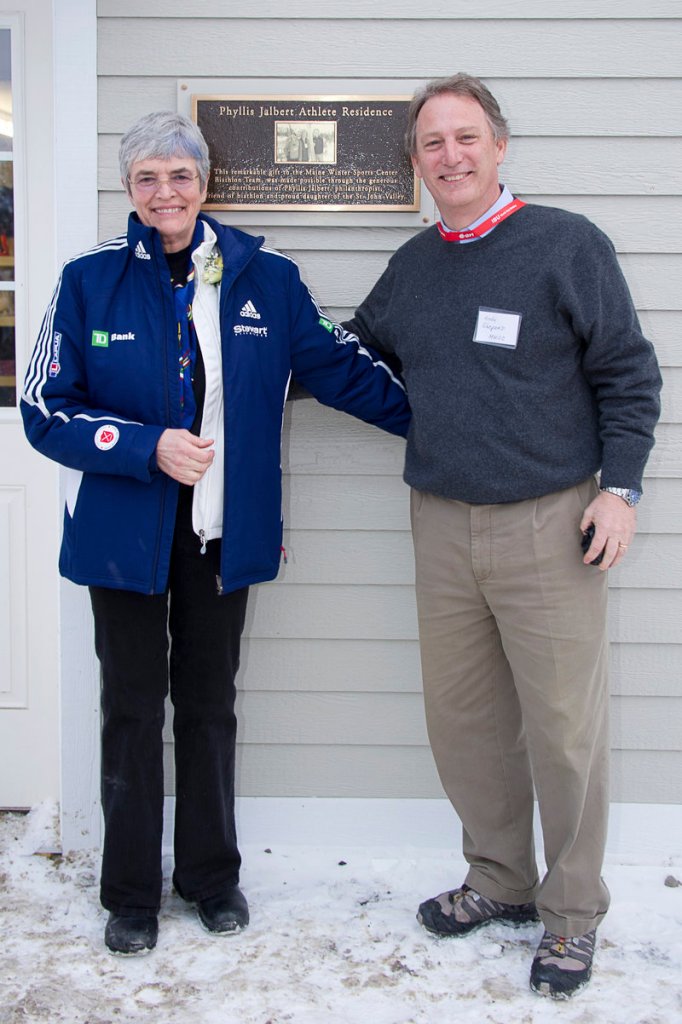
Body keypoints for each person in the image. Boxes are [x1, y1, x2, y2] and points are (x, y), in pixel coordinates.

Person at [21, 111, 409, 957]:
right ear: (129, 190)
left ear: (205, 184)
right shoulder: (89, 281)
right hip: (122, 535)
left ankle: (209, 876)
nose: (166, 192)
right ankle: (128, 891)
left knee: (207, 706)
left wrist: (443, 424)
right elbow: (43, 410)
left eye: (180, 175)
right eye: (147, 178)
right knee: (128, 708)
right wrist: (141, 443)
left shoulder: (264, 277)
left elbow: (339, 370)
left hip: (221, 535)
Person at [344, 73, 661, 1000]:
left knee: (565, 731)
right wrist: (253, 349)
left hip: (551, 525)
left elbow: (628, 377)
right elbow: (356, 352)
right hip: (440, 525)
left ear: (499, 145)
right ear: (416, 161)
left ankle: (571, 916)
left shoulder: (566, 245)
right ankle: (500, 879)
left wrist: (623, 491)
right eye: (432, 142)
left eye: (466, 137)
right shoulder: (414, 265)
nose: (451, 155)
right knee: (467, 725)